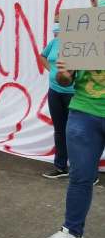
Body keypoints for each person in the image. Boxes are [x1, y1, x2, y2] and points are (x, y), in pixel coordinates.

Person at [39, 0, 105, 238]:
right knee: (80, 175)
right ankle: (73, 232)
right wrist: (65, 76)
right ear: (92, 0)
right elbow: (67, 80)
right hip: (84, 112)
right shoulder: (80, 31)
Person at [40, 13, 75, 180]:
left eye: (59, 21)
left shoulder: (77, 42)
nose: (56, 25)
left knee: (78, 132)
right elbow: (43, 56)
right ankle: (61, 167)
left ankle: (84, 170)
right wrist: (52, 71)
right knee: (60, 131)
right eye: (55, 21)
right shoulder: (53, 42)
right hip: (54, 92)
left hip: (74, 94)